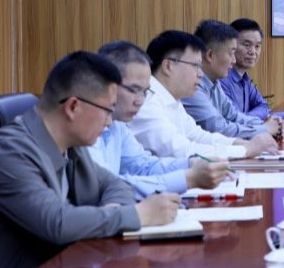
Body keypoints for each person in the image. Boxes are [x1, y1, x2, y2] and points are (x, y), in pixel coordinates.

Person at [0, 51, 180, 268]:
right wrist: (137, 215)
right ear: (73, 106)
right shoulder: (7, 155)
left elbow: (115, 185)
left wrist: (113, 212)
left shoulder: (69, 144)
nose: (110, 122)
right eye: (108, 110)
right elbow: (56, 223)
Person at [88, 40, 232, 200]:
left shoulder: (118, 124)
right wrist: (187, 178)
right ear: (107, 85)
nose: (140, 101)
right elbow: (105, 189)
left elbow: (143, 166)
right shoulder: (86, 126)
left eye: (144, 92)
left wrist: (189, 164)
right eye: (134, 90)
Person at [128, 30, 272, 159]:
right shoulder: (146, 100)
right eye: (196, 65)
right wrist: (244, 150)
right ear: (168, 66)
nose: (201, 74)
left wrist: (238, 143)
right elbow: (180, 151)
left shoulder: (172, 99)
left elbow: (197, 135)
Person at [182, 20, 284, 138]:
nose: (234, 60)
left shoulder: (214, 83)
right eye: (231, 54)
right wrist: (264, 129)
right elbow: (218, 128)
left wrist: (267, 124)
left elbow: (234, 115)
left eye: (257, 46)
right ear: (210, 55)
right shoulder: (192, 86)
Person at [221, 18, 284, 124]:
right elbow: (235, 121)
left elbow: (264, 107)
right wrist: (282, 116)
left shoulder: (245, 79)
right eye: (247, 45)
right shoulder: (222, 79)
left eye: (257, 46)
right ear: (231, 45)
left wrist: (249, 118)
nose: (253, 52)